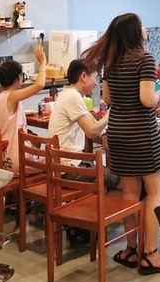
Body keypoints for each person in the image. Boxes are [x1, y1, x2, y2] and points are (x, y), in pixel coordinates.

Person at [82, 12, 160, 275]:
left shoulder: (111, 61)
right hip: (142, 133)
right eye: (142, 25)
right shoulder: (144, 59)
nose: (145, 28)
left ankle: (132, 249)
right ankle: (151, 254)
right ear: (135, 32)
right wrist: (158, 95)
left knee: (130, 192)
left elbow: (108, 98)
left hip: (118, 132)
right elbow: (146, 100)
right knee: (156, 191)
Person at [47, 58, 118, 189]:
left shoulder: (68, 93)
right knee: (118, 179)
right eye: (95, 77)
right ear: (84, 76)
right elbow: (91, 132)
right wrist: (110, 114)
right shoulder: (73, 97)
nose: (96, 83)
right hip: (68, 169)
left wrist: (104, 134)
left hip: (62, 165)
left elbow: (92, 121)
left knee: (116, 176)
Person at [0, 42, 47, 175]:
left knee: (38, 151)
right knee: (55, 161)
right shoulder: (11, 96)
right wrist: (43, 62)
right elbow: (39, 85)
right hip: (15, 162)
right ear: (18, 78)